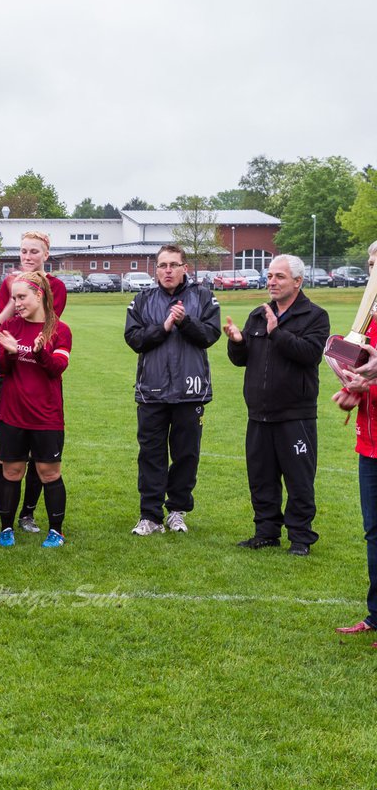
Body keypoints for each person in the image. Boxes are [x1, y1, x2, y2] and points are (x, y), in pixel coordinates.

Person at [224, 253, 329, 555]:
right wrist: (237, 341)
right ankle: (266, 532)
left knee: (299, 480)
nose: (271, 281)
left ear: (298, 281)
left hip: (295, 414)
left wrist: (277, 333)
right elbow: (240, 360)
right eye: (269, 276)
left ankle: (300, 537)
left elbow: (309, 353)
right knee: (261, 477)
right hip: (258, 414)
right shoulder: (259, 314)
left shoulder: (315, 316)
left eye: (279, 276)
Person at [124, 245, 221, 536]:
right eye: (162, 265)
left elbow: (209, 335)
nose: (168, 270)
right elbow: (133, 338)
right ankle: (150, 515)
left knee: (186, 455)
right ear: (156, 270)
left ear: (184, 269)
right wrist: (164, 326)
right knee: (150, 454)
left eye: (173, 265)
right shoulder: (142, 300)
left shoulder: (203, 297)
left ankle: (176, 511)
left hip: (190, 392)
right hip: (152, 392)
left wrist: (185, 321)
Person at [0, 232, 68, 538]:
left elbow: (55, 361)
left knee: (45, 468)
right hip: (13, 403)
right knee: (7, 464)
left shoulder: (58, 317)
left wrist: (30, 351)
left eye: (34, 251)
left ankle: (38, 521)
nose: (28, 255)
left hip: (45, 409)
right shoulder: (9, 317)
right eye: (23, 250)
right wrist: (9, 348)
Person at [332, 240, 377, 644]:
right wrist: (355, 390)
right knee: (374, 532)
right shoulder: (368, 326)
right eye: (370, 263)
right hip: (371, 444)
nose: (372, 270)